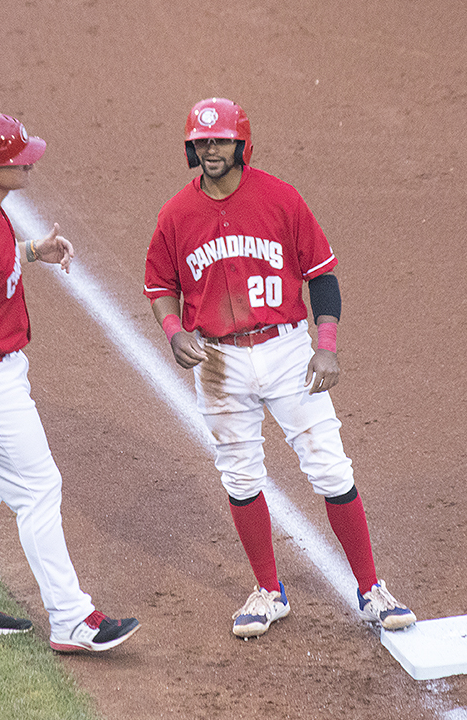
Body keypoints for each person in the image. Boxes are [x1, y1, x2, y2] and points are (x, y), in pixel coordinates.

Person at [143, 98, 417, 638]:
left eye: (219, 141)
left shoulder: (280, 198)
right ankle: (269, 592)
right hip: (219, 361)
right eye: (201, 142)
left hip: (288, 350)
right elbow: (159, 285)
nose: (210, 150)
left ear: (241, 145)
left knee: (330, 468)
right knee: (240, 474)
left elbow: (322, 275)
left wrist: (328, 343)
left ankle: (371, 590)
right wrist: (174, 335)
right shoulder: (176, 213)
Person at [0, 112, 139, 652]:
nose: (29, 161)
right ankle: (71, 620)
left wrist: (33, 252)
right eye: (18, 158)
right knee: (40, 490)